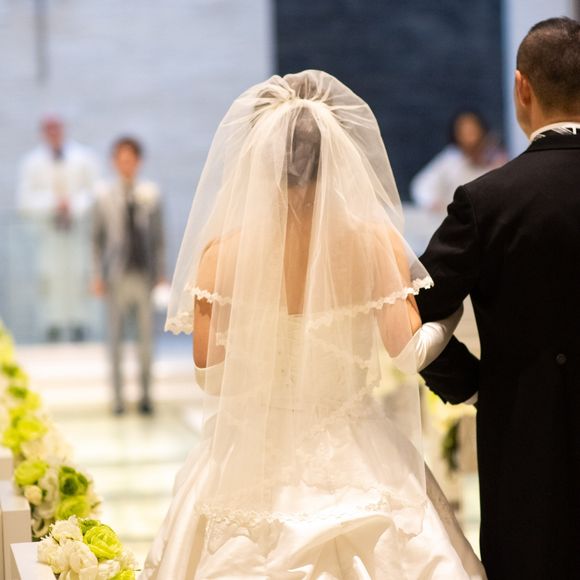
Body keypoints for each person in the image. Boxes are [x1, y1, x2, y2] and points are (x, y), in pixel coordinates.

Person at [141, 71, 486, 579]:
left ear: (260, 160)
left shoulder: (220, 255)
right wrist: (451, 311)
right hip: (353, 444)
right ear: (337, 158)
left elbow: (208, 375)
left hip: (250, 454)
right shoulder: (373, 242)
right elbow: (408, 354)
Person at [416, 17, 580, 580]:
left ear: (522, 88)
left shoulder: (488, 201)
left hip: (525, 445)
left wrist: (471, 384)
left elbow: (416, 308)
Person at [92, 137, 165, 416]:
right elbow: (96, 240)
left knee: (146, 340)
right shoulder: (104, 196)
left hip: (143, 275)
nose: (126, 164)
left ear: (138, 161)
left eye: (130, 159)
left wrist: (160, 273)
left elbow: (158, 239)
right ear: (114, 162)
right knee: (115, 340)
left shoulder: (151, 194)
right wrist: (97, 275)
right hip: (116, 275)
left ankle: (146, 396)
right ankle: (117, 399)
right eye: (121, 159)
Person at [17, 116, 99, 341]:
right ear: (43, 132)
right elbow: (25, 199)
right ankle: (52, 324)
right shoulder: (32, 162)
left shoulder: (83, 158)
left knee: (79, 275)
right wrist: (53, 203)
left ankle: (80, 324)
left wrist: (73, 205)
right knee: (50, 278)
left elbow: (94, 192)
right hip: (49, 232)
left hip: (77, 230)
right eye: (49, 129)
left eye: (57, 128)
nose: (53, 133)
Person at [410, 110, 506, 214]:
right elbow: (422, 186)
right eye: (464, 131)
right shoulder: (451, 159)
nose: (469, 136)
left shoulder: (496, 160)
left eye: (472, 130)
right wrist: (432, 202)